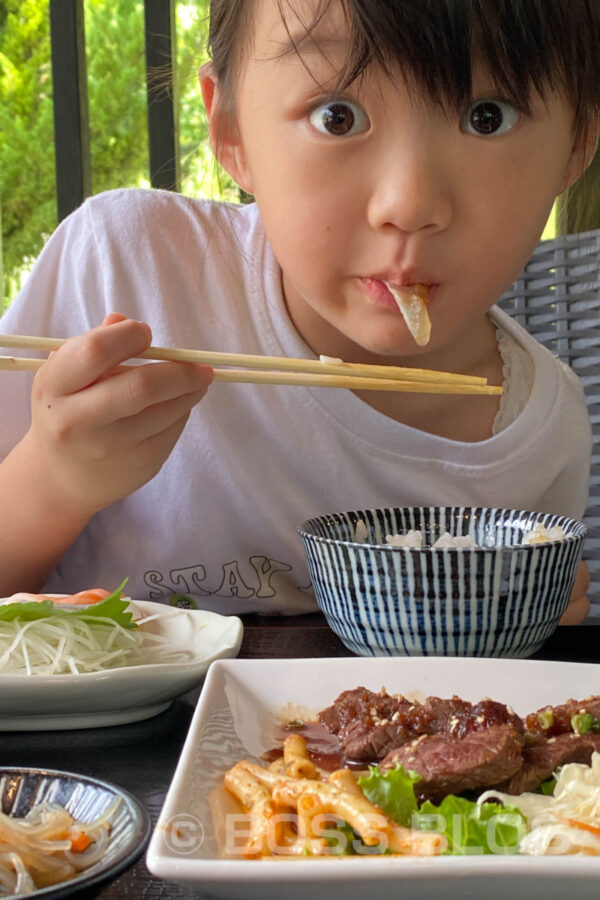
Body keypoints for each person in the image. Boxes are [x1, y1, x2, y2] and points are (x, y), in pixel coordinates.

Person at [0, 0, 598, 622]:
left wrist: (536, 633)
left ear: (578, 143)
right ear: (230, 128)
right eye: (337, 116)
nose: (409, 203)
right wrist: (54, 479)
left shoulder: (540, 430)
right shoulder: (126, 268)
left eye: (487, 117)